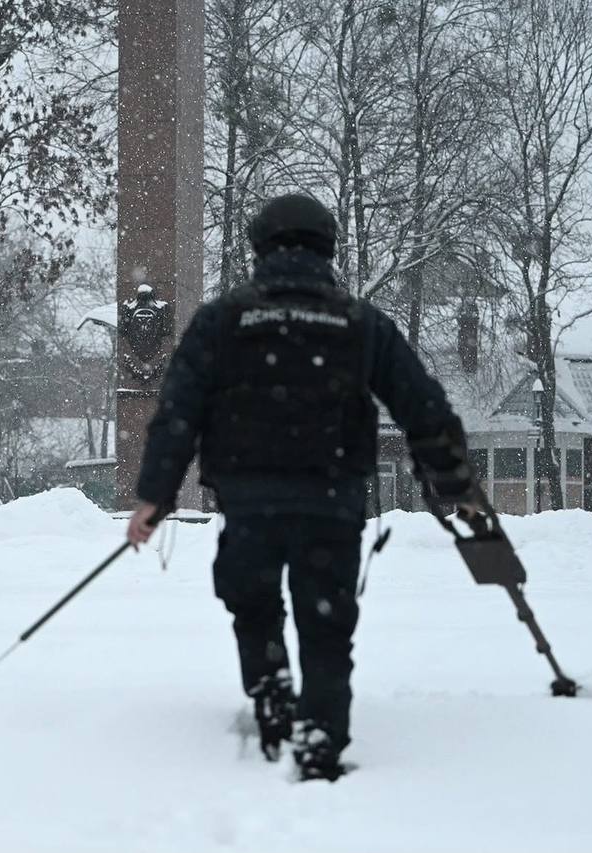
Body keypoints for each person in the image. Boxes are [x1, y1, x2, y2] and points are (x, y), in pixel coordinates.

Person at [126, 194, 477, 781]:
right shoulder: (362, 323)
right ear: (327, 247)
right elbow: (423, 405)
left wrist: (154, 498)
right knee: (326, 616)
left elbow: (178, 414)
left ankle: (271, 691)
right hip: (331, 500)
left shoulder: (222, 321)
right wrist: (451, 480)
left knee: (254, 602)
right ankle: (321, 733)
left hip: (249, 500)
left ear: (259, 248)